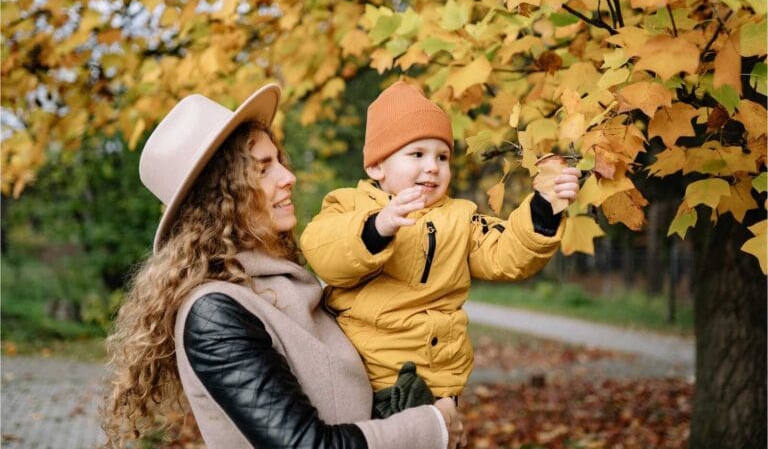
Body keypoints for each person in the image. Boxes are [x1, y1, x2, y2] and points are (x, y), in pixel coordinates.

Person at [102, 84, 465, 449]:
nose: (288, 176)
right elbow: (303, 445)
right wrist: (433, 427)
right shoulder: (215, 313)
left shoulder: (288, 282)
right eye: (263, 170)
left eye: (279, 160)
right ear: (220, 197)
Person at [300, 80, 581, 417]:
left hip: (442, 381)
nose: (432, 166)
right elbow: (323, 251)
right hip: (376, 380)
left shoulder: (461, 218)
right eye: (416, 154)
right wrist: (379, 226)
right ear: (377, 166)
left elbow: (506, 255)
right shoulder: (350, 205)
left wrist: (544, 209)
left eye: (442, 156)